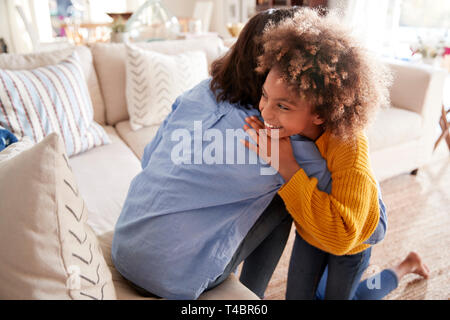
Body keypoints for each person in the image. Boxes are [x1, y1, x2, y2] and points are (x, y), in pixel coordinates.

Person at [111, 7, 386, 300]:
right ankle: (252, 295)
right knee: (284, 199)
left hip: (125, 246)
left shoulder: (199, 92)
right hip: (176, 281)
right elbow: (374, 229)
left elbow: (149, 159)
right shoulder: (278, 140)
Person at [240, 8, 395, 299]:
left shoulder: (351, 145)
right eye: (265, 96)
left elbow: (343, 235)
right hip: (312, 229)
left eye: (282, 106)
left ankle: (399, 270)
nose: (265, 111)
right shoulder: (286, 126)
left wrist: (287, 167)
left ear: (321, 114)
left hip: (352, 241)